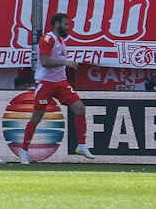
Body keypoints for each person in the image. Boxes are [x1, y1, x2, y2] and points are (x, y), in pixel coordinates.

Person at [12, 13, 95, 161]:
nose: (68, 27)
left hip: (61, 82)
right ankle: (24, 150)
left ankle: (81, 145)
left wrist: (66, 64)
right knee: (37, 116)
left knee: (80, 108)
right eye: (65, 24)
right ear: (57, 24)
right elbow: (45, 62)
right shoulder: (48, 39)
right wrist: (66, 62)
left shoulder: (61, 41)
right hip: (46, 83)